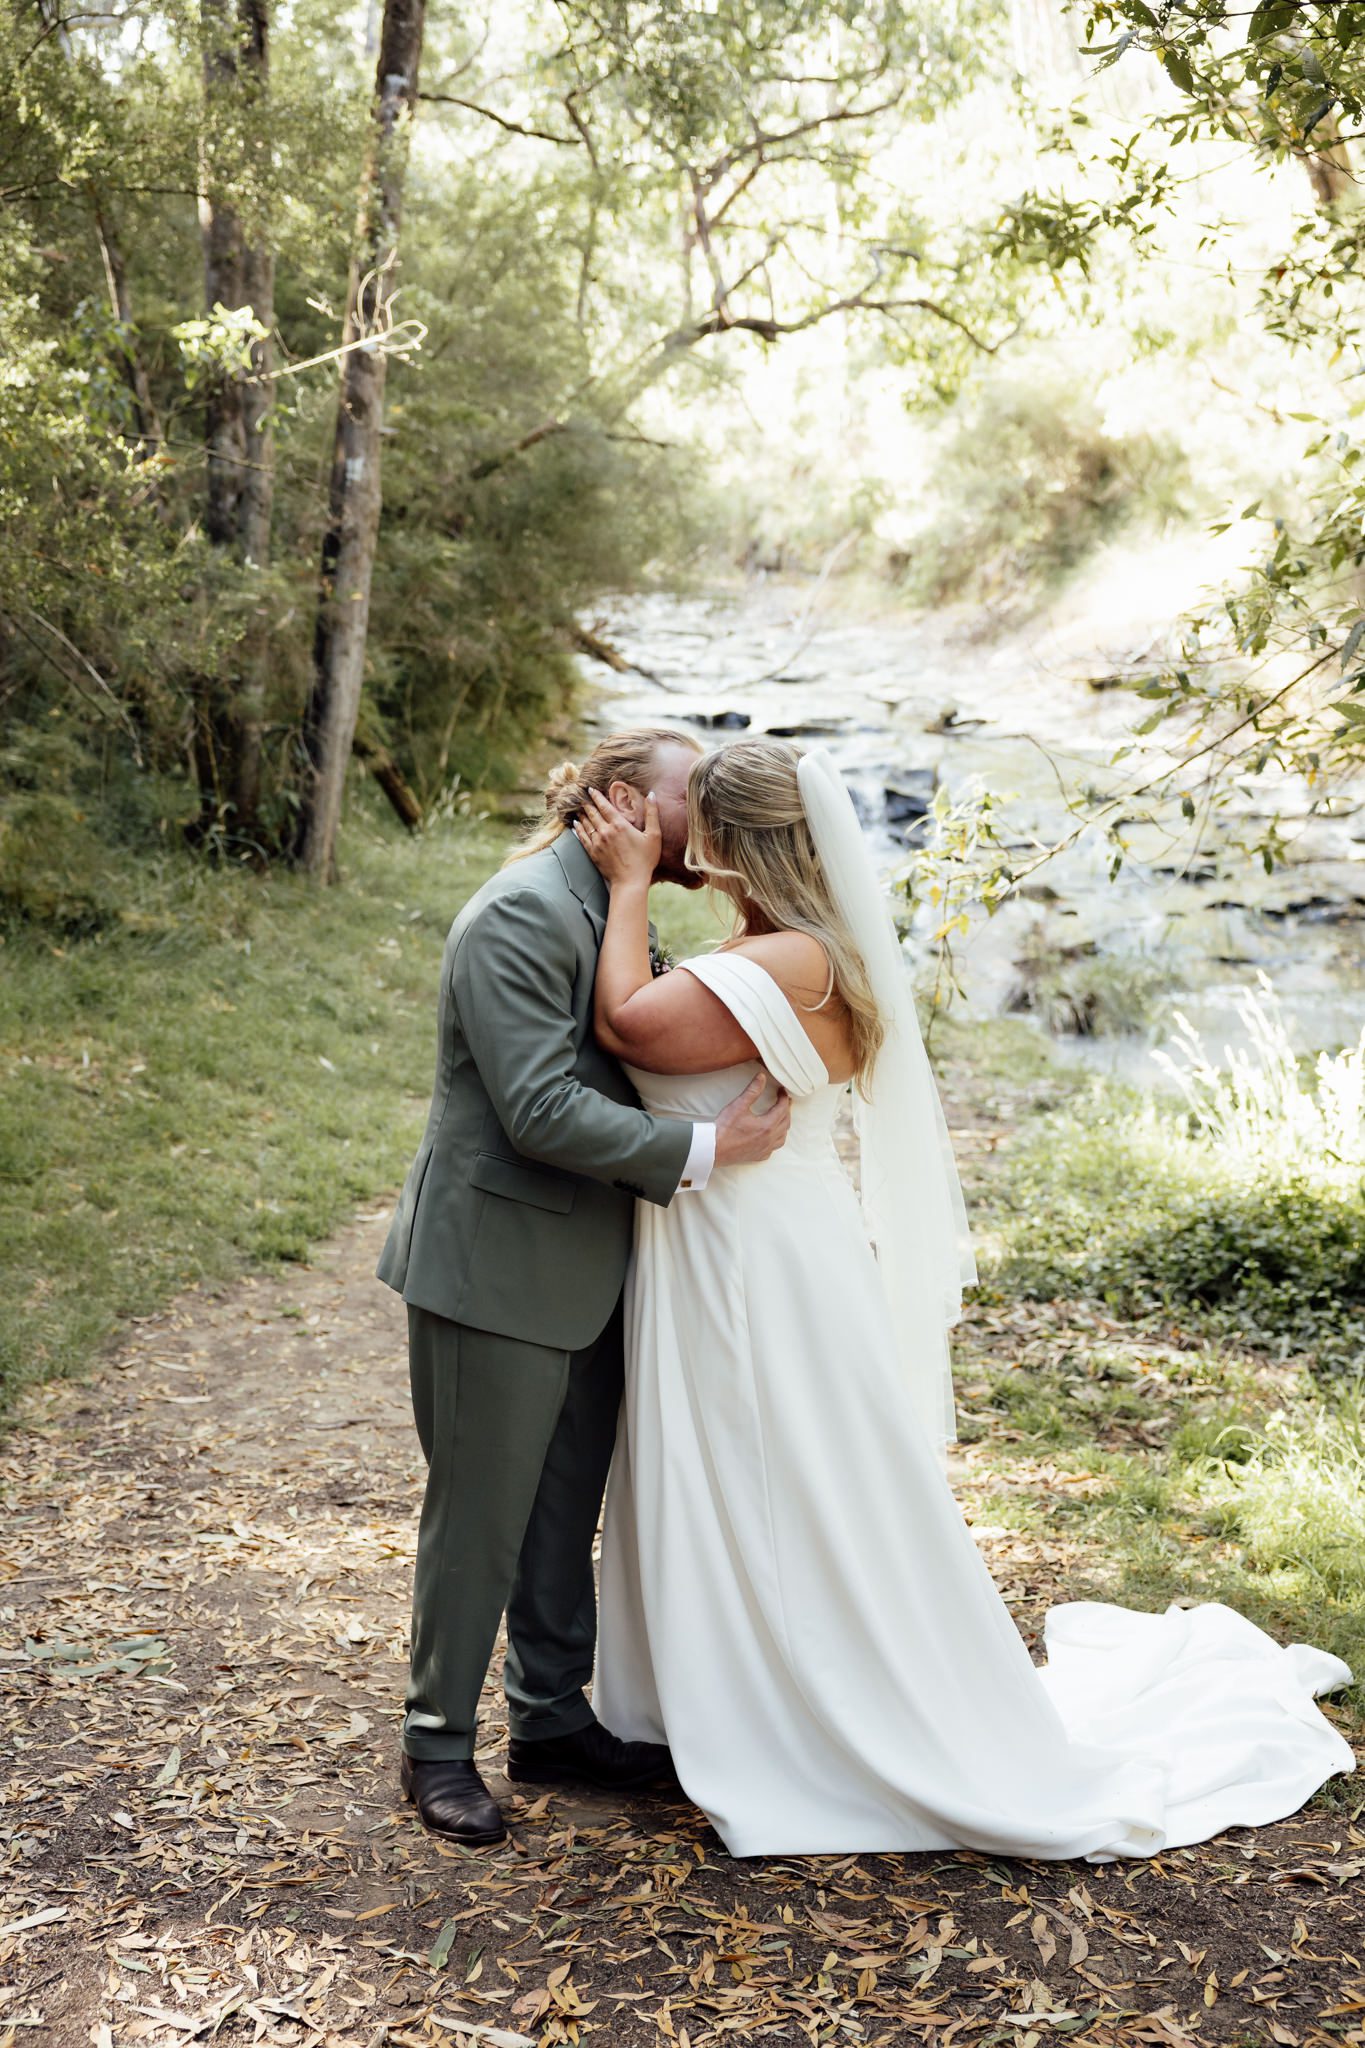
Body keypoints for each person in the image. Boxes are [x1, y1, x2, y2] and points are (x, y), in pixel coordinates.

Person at [573, 736, 1355, 1860]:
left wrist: (631, 887)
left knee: (782, 1469)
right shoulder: (789, 947)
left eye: (695, 812)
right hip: (755, 1232)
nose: (676, 824)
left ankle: (800, 1703)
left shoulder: (787, 959)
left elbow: (627, 1026)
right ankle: (741, 1681)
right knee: (779, 1468)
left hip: (751, 1251)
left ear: (737, 841)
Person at [376, 728, 792, 1846]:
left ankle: (553, 1719)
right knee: (482, 1516)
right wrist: (711, 1154)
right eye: (683, 794)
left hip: (590, 1267)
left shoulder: (611, 904)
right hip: (494, 1269)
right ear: (618, 801)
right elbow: (539, 1109)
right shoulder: (516, 914)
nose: (700, 814)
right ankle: (435, 1745)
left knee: (563, 1512)